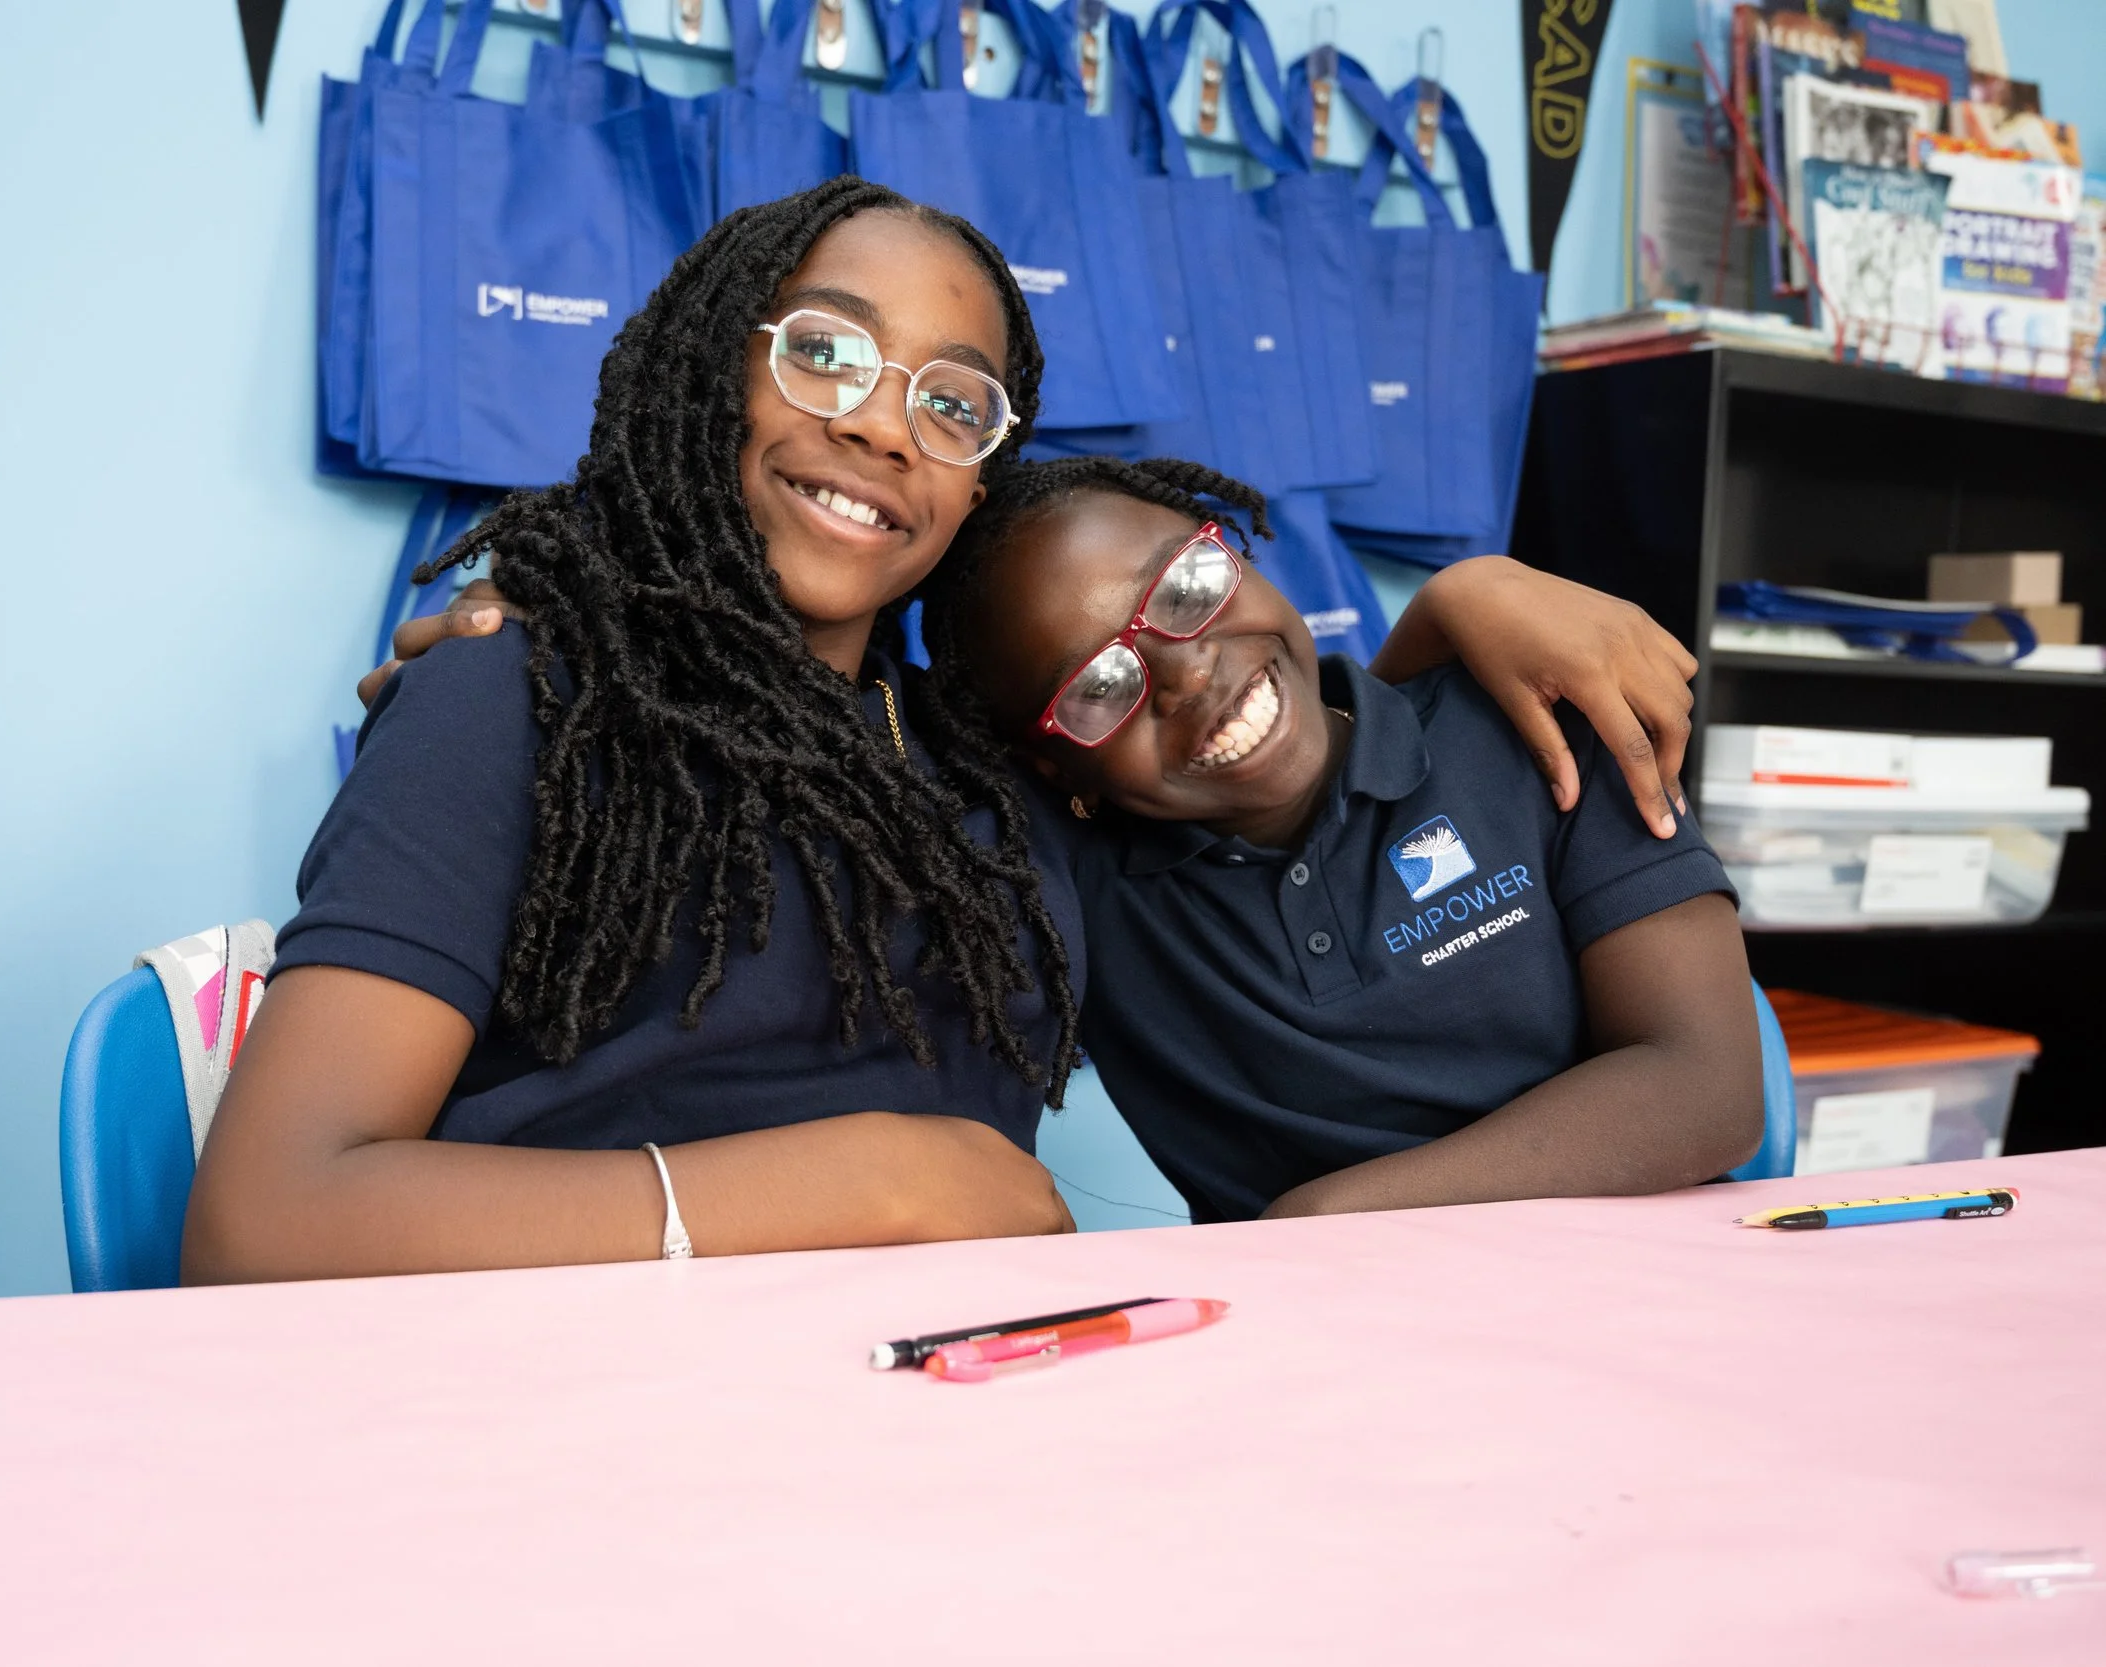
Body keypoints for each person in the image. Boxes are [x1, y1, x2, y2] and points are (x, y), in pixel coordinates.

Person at [192, 178, 1706, 1285]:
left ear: (978, 479)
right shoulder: (515, 693)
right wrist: (876, 1177)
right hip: (587, 1413)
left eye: (954, 401)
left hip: (944, 1424)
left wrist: (1463, 596)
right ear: (708, 367)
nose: (880, 425)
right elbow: (268, 1219)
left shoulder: (1004, 773)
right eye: (826, 356)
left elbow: (1247, 717)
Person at [929, 456, 1760, 1225]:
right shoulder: (1080, 894)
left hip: (1645, 1297)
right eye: (1099, 686)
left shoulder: (1535, 729)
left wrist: (1329, 1217)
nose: (1185, 674)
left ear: (1238, 554)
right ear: (1055, 770)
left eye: (1187, 589)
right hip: (1330, 1347)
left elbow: (1709, 1088)